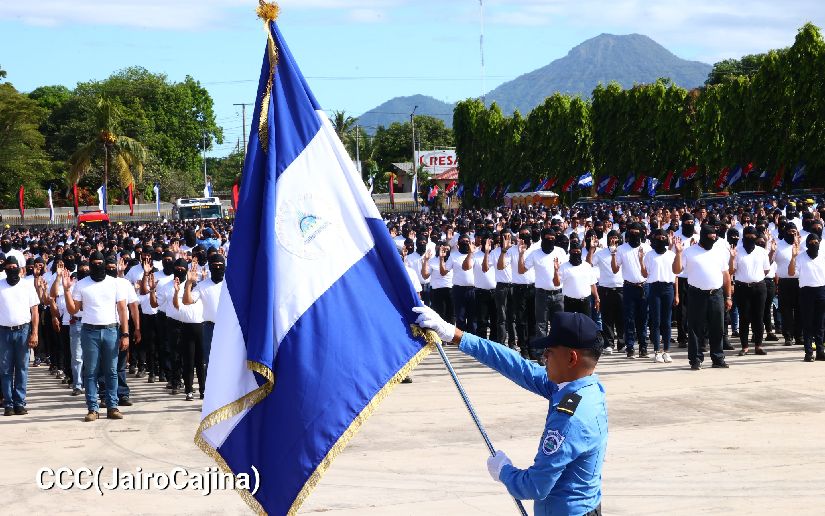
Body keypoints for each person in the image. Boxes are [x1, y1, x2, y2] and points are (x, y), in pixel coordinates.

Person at [413, 306, 607, 516]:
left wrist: (504, 471)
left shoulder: (570, 418)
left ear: (571, 358)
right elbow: (517, 366)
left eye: (549, 352)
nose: (543, 357)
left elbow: (535, 486)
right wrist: (456, 335)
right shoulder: (584, 388)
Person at [64, 252, 130, 421]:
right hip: (89, 331)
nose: (98, 266)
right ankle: (92, 408)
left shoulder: (115, 283)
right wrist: (66, 291)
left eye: (101, 263)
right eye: (94, 263)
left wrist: (125, 333)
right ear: (90, 264)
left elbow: (122, 309)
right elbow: (73, 310)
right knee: (91, 371)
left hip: (111, 330)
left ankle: (112, 406)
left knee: (111, 371)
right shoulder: (81, 284)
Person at [675, 225, 732, 370]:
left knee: (717, 327)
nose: (712, 240)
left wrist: (728, 296)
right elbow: (676, 270)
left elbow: (726, 275)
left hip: (716, 294)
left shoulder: (719, 252)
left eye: (714, 238)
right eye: (710, 237)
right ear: (703, 236)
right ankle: (695, 359)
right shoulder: (689, 252)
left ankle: (718, 358)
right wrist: (678, 253)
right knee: (695, 328)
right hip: (696, 294)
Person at [0, 256, 40, 416]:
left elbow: (35, 311)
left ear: (19, 268)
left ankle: (19, 402)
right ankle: (8, 404)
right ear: (5, 269)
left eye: (14, 267)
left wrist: (35, 332)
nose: (11, 269)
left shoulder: (27, 285)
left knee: (22, 368)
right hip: (3, 332)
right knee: (5, 369)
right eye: (8, 267)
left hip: (23, 331)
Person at [729, 227, 771, 356]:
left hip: (759, 287)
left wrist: (755, 277)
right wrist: (732, 258)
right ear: (743, 237)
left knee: (758, 317)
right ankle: (745, 346)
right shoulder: (737, 251)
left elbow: (766, 270)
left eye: (753, 236)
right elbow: (731, 271)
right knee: (744, 317)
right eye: (747, 236)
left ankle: (758, 346)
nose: (750, 238)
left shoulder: (761, 251)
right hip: (742, 288)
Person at [640, 229, 677, 363]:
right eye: (659, 237)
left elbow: (676, 276)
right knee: (656, 321)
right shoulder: (649, 255)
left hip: (668, 288)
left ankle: (666, 351)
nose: (661, 239)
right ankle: (657, 351)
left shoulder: (672, 255)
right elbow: (645, 274)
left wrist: (677, 294)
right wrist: (640, 260)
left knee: (667, 321)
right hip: (654, 288)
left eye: (663, 237)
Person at [789, 233, 825, 362]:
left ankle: (820, 351)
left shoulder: (823, 256)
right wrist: (793, 257)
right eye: (811, 242)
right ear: (807, 243)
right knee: (807, 323)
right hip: (806, 292)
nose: (814, 244)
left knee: (820, 324)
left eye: (816, 242)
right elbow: (791, 272)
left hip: (821, 291)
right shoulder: (800, 257)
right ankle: (809, 352)